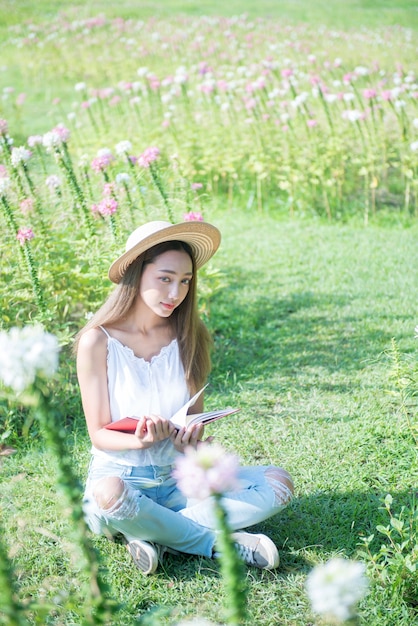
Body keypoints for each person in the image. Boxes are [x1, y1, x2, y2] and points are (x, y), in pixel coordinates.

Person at [75, 220, 294, 575]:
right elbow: (98, 433)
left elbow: (193, 421)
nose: (175, 292)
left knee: (277, 483)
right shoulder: (97, 341)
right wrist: (141, 440)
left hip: (178, 479)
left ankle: (156, 532)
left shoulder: (189, 335)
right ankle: (215, 544)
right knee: (110, 495)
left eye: (185, 281)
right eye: (165, 278)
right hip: (121, 477)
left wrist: (189, 441)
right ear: (135, 272)